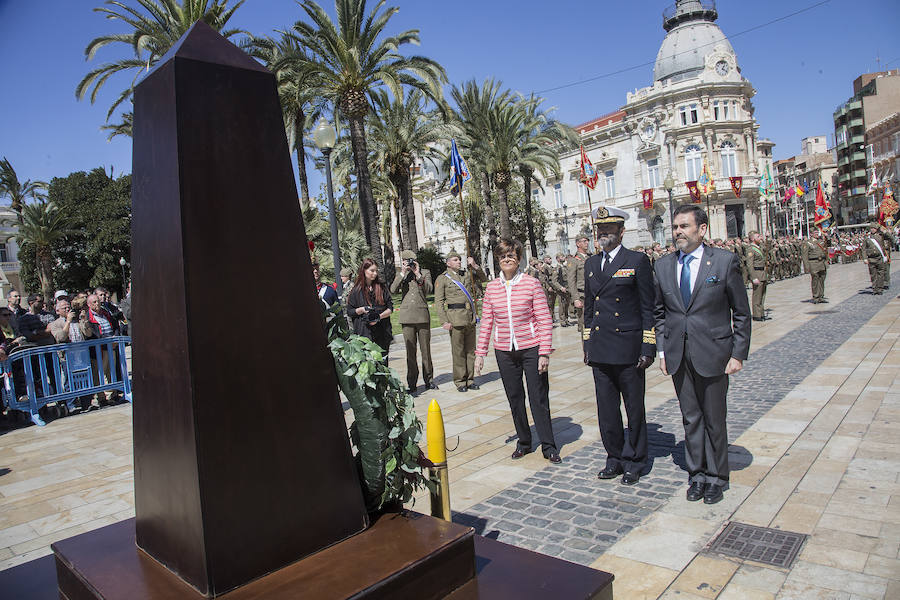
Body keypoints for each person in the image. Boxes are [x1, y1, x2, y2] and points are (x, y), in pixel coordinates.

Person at [654, 205, 751, 505]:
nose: (678, 232)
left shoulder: (722, 262)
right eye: (675, 227)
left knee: (713, 419)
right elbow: (659, 312)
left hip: (714, 354)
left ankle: (717, 477)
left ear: (702, 229)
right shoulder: (663, 266)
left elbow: (742, 313)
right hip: (678, 355)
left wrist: (738, 353)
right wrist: (662, 349)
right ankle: (696, 474)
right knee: (690, 419)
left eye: (684, 226)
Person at [583, 207, 655, 485]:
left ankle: (635, 460)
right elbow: (589, 310)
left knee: (634, 408)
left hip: (628, 348)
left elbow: (649, 307)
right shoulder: (591, 265)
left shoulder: (636, 260)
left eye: (609, 230)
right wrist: (587, 343)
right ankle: (613, 457)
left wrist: (648, 347)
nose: (602, 234)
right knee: (607, 410)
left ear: (621, 232)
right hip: (601, 349)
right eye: (600, 230)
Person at [474, 238, 560, 463]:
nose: (507, 259)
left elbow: (543, 318)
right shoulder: (492, 287)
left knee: (538, 397)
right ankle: (524, 441)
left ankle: (549, 445)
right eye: (503, 256)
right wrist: (480, 353)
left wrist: (544, 352)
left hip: (531, 347)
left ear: (519, 259)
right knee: (515, 397)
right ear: (498, 260)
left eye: (511, 255)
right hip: (504, 350)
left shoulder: (531, 283)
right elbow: (487, 322)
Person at [435, 251, 485, 392]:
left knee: (470, 351)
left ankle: (470, 379)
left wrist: (474, 265)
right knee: (458, 352)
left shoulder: (466, 274)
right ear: (448, 263)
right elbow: (439, 302)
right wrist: (444, 321)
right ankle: (460, 381)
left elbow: (483, 278)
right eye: (455, 260)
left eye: (460, 259)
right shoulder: (443, 278)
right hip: (455, 319)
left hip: (469, 317)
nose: (459, 262)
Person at [391, 250, 435, 394]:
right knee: (410, 352)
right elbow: (393, 290)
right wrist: (403, 273)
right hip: (407, 317)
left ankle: (429, 380)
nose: (410, 263)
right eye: (407, 261)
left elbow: (429, 289)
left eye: (412, 260)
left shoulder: (424, 272)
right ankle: (412, 382)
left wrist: (418, 274)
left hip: (422, 315)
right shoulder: (401, 274)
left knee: (426, 351)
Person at [346, 258, 394, 354]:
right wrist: (362, 310)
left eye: (376, 271)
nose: (375, 273)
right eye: (372, 271)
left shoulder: (381, 288)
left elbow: (390, 308)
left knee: (383, 364)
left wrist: (378, 317)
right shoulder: (356, 290)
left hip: (382, 333)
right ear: (364, 271)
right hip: (364, 334)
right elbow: (350, 311)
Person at [567, 235, 591, 338]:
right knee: (585, 326)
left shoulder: (591, 257)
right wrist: (576, 298)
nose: (587, 243)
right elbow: (571, 281)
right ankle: (587, 351)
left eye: (587, 241)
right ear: (578, 244)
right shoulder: (573, 260)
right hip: (582, 296)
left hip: (593, 295)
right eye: (584, 241)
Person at [802, 228, 828, 303]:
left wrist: (827, 237)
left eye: (817, 232)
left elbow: (828, 244)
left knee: (822, 279)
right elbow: (805, 256)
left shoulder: (821, 241)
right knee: (815, 280)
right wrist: (807, 268)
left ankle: (821, 296)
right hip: (813, 263)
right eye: (815, 232)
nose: (817, 234)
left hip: (822, 263)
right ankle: (816, 297)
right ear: (811, 234)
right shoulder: (807, 243)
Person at [746, 231, 768, 322]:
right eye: (758, 236)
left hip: (762, 273)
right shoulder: (751, 249)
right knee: (757, 296)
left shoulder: (759, 247)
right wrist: (753, 277)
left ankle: (761, 313)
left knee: (762, 296)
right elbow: (749, 265)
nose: (760, 238)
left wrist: (768, 238)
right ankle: (756, 315)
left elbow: (767, 249)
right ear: (752, 239)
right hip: (757, 273)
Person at [864, 222, 889, 295]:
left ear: (876, 229)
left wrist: (885, 231)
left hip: (879, 258)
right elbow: (863, 248)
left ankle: (880, 289)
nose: (872, 230)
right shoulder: (867, 237)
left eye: (874, 228)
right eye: (871, 228)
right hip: (871, 259)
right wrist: (865, 258)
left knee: (881, 274)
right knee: (873, 274)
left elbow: (890, 237)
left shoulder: (881, 236)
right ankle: (875, 289)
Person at [554, 253, 570, 326]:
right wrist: (560, 287)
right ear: (558, 259)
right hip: (561, 289)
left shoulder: (564, 267)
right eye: (561, 256)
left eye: (563, 256)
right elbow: (554, 281)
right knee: (562, 305)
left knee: (567, 305)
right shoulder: (557, 268)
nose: (563, 258)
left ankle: (566, 319)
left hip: (567, 288)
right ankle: (562, 320)